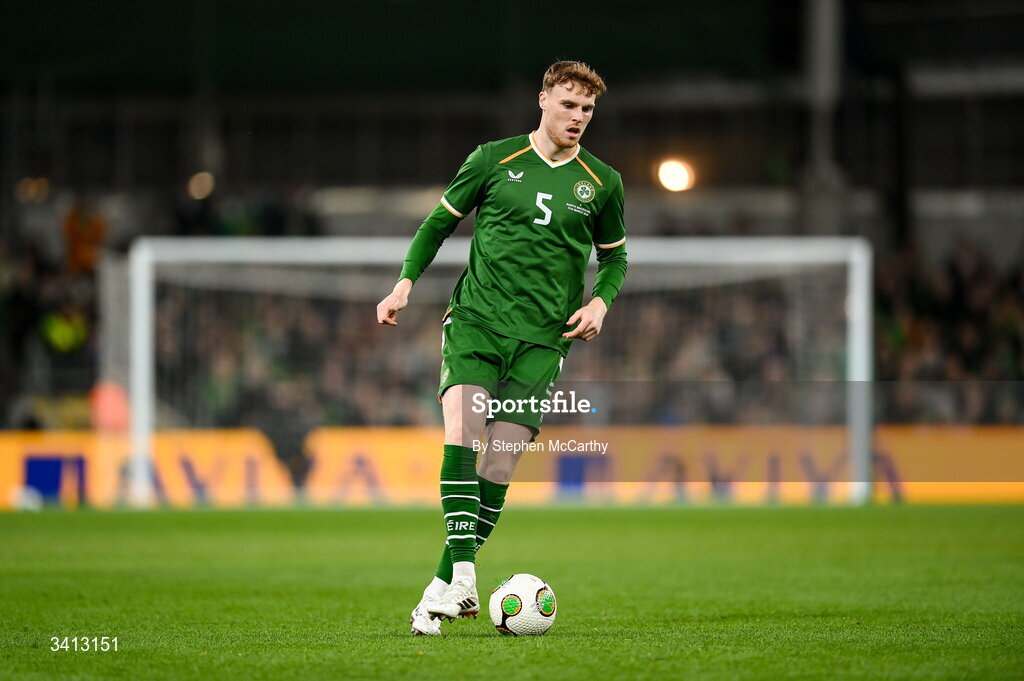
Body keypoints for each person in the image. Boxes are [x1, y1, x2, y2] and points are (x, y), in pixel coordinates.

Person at [376, 60, 628, 635]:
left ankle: (438, 590)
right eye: (568, 105)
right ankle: (465, 573)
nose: (578, 118)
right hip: (476, 322)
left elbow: (615, 256)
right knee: (463, 431)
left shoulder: (602, 182)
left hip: (545, 340)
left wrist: (600, 302)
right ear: (543, 100)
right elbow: (436, 225)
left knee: (500, 460)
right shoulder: (493, 159)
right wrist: (404, 283)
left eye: (587, 110)